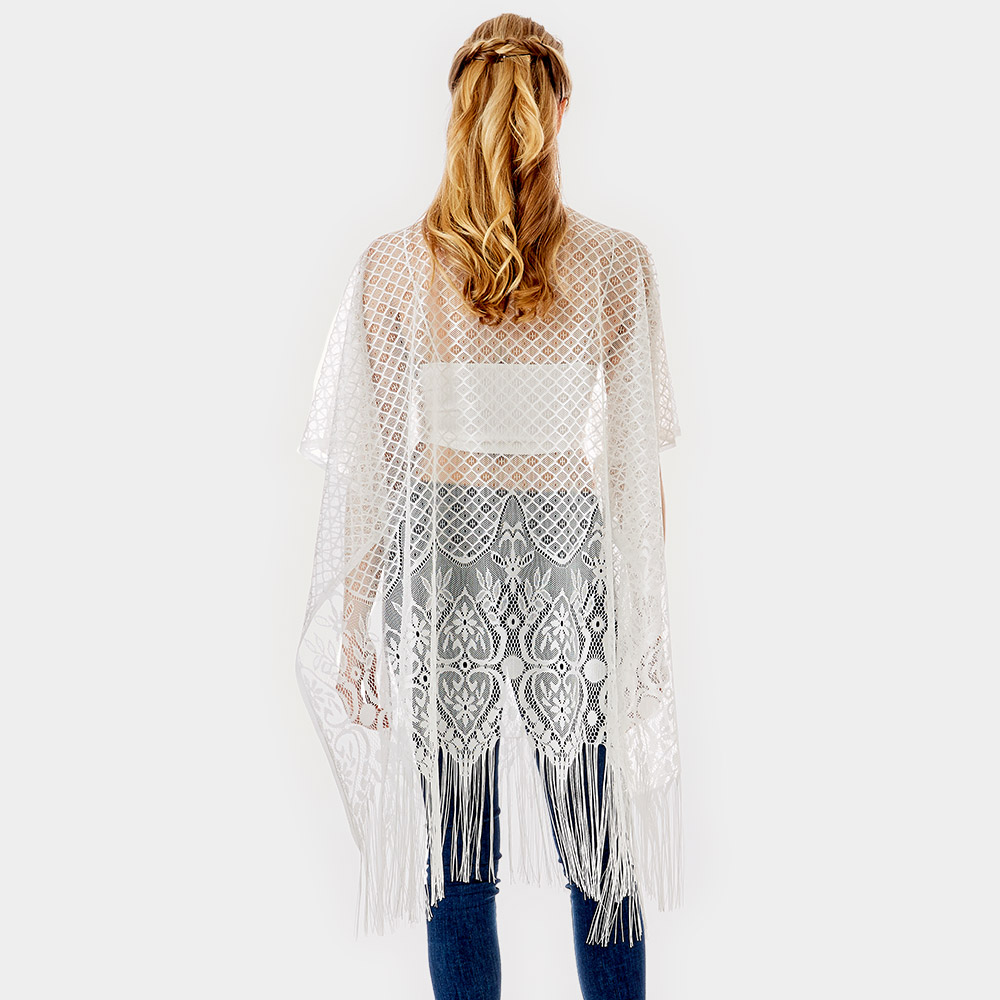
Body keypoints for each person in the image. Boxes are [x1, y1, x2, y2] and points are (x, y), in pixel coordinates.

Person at [295, 13, 683, 1000]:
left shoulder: (394, 264)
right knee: (597, 843)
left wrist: (353, 620)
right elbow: (633, 470)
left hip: (441, 549)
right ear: (561, 108)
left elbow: (373, 464)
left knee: (457, 856)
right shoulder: (617, 262)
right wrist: (646, 621)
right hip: (567, 547)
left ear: (456, 108)